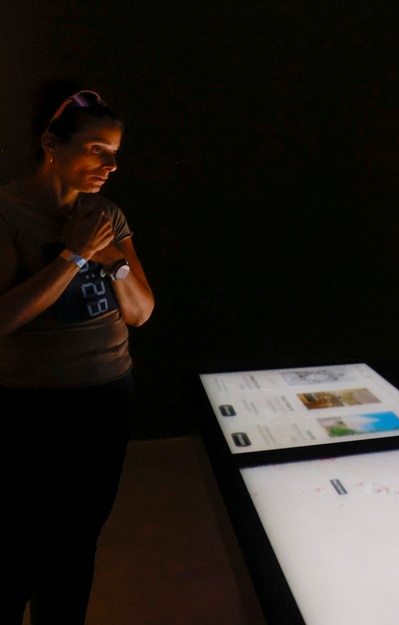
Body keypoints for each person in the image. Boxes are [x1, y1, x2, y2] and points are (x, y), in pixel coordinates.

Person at [0, 79, 155, 624]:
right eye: (97, 150)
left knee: (80, 540)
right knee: (18, 548)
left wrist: (108, 254)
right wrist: (72, 255)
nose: (110, 164)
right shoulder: (9, 213)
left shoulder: (106, 213)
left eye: (114, 153)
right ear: (51, 143)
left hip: (108, 395)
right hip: (31, 404)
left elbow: (140, 311)